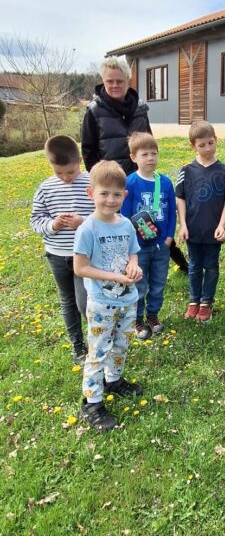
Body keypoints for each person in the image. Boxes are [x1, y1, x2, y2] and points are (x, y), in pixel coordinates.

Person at [81, 56, 188, 273]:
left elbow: (148, 139)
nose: (115, 85)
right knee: (121, 227)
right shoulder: (94, 111)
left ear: (128, 80)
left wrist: (147, 166)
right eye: (110, 81)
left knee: (152, 221)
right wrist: (101, 179)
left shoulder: (140, 108)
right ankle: (124, 269)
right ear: (103, 81)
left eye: (119, 81)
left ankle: (182, 264)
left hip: (141, 178)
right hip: (114, 183)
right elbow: (88, 150)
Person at [74, 161, 143, 431]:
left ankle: (113, 380)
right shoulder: (88, 229)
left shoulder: (126, 224)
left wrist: (134, 266)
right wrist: (115, 277)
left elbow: (132, 253)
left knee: (122, 343)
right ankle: (92, 402)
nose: (110, 199)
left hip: (127, 299)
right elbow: (80, 268)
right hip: (102, 302)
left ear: (124, 195)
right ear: (91, 193)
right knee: (99, 350)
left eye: (116, 194)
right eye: (104, 193)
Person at [30, 135, 94, 362]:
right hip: (57, 255)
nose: (66, 178)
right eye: (59, 173)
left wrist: (83, 222)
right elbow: (36, 220)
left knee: (85, 302)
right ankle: (78, 346)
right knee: (67, 300)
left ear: (79, 161)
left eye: (71, 172)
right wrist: (53, 225)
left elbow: (106, 215)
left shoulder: (92, 182)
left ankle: (97, 338)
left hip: (84, 256)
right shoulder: (46, 188)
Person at [176, 121, 225, 323]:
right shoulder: (186, 171)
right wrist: (183, 225)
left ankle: (206, 302)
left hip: (214, 230)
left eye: (211, 143)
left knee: (211, 266)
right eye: (202, 145)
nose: (208, 148)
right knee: (194, 266)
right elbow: (180, 198)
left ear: (216, 140)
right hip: (192, 230)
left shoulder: (224, 170)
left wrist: (221, 225)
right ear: (193, 146)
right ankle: (194, 300)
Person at [121, 132, 176, 340]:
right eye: (145, 154)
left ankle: (152, 315)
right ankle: (137, 319)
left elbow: (172, 212)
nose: (150, 158)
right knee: (139, 284)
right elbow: (124, 215)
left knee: (158, 282)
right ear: (133, 157)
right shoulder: (130, 183)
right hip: (138, 248)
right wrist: (131, 243)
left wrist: (169, 236)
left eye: (154, 153)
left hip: (161, 245)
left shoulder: (166, 182)